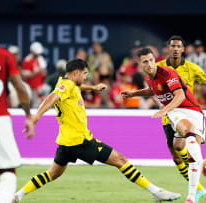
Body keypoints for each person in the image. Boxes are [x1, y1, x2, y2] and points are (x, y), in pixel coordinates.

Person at [13, 59, 181, 203]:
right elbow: (51, 98)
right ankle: (156, 192)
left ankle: (17, 196)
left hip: (65, 142)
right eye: (85, 73)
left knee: (52, 174)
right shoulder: (66, 86)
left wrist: (92, 88)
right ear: (76, 72)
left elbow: (72, 88)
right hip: (81, 141)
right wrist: (33, 119)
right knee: (121, 160)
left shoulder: (65, 83)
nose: (86, 76)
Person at [122, 48, 206, 203]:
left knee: (189, 148)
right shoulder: (150, 78)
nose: (150, 64)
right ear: (140, 64)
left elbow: (180, 95)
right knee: (178, 145)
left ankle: (191, 196)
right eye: (145, 61)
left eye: (151, 60)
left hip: (190, 111)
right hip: (174, 111)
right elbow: (153, 91)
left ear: (154, 59)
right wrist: (134, 94)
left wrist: (164, 109)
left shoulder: (166, 73)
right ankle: (200, 162)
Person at [155, 35, 206, 202]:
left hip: (187, 113)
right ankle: (198, 188)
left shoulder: (192, 68)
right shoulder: (158, 67)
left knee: (189, 150)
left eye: (178, 47)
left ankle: (193, 191)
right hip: (168, 116)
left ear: (183, 50)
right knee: (176, 156)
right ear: (168, 48)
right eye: (172, 46)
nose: (175, 49)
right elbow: (153, 87)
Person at [0, 47, 34, 203]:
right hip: (0, 119)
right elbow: (19, 87)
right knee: (7, 169)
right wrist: (28, 115)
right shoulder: (5, 56)